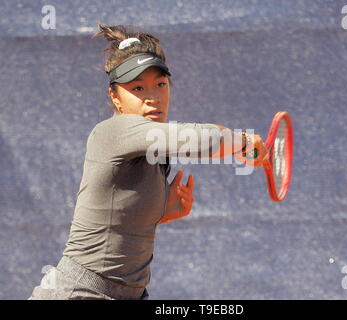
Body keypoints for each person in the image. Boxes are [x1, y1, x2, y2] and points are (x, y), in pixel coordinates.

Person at [28, 23, 267, 300]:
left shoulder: (154, 150)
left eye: (160, 84)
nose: (153, 97)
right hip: (80, 293)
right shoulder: (114, 131)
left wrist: (162, 210)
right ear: (115, 98)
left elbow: (116, 221)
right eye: (138, 87)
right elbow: (204, 140)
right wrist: (244, 142)